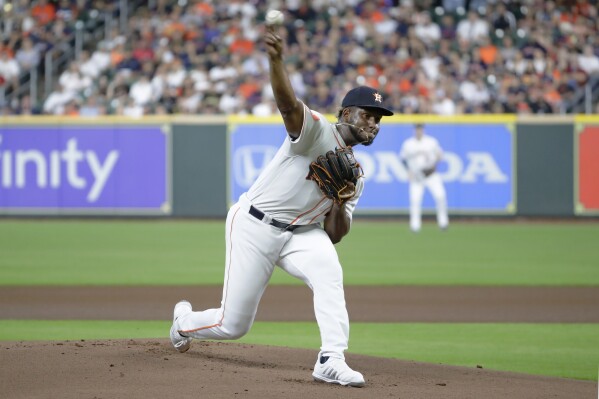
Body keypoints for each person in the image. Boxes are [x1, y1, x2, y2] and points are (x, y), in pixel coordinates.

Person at [169, 23, 393, 388]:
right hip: (255, 225)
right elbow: (288, 105)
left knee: (329, 272)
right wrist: (276, 61)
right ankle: (183, 322)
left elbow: (335, 235)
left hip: (301, 234)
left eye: (378, 118)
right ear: (346, 113)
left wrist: (338, 201)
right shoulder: (318, 130)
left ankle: (331, 359)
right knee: (233, 325)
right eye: (367, 114)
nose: (373, 123)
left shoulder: (356, 175)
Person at [400, 124, 449, 232]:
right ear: (414, 130)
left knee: (440, 196)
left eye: (420, 129)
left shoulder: (431, 142)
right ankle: (415, 226)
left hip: (431, 174)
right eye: (417, 129)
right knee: (415, 200)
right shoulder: (408, 144)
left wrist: (435, 163)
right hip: (417, 177)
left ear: (423, 130)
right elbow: (403, 159)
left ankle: (443, 223)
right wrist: (408, 171)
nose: (419, 131)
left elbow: (440, 155)